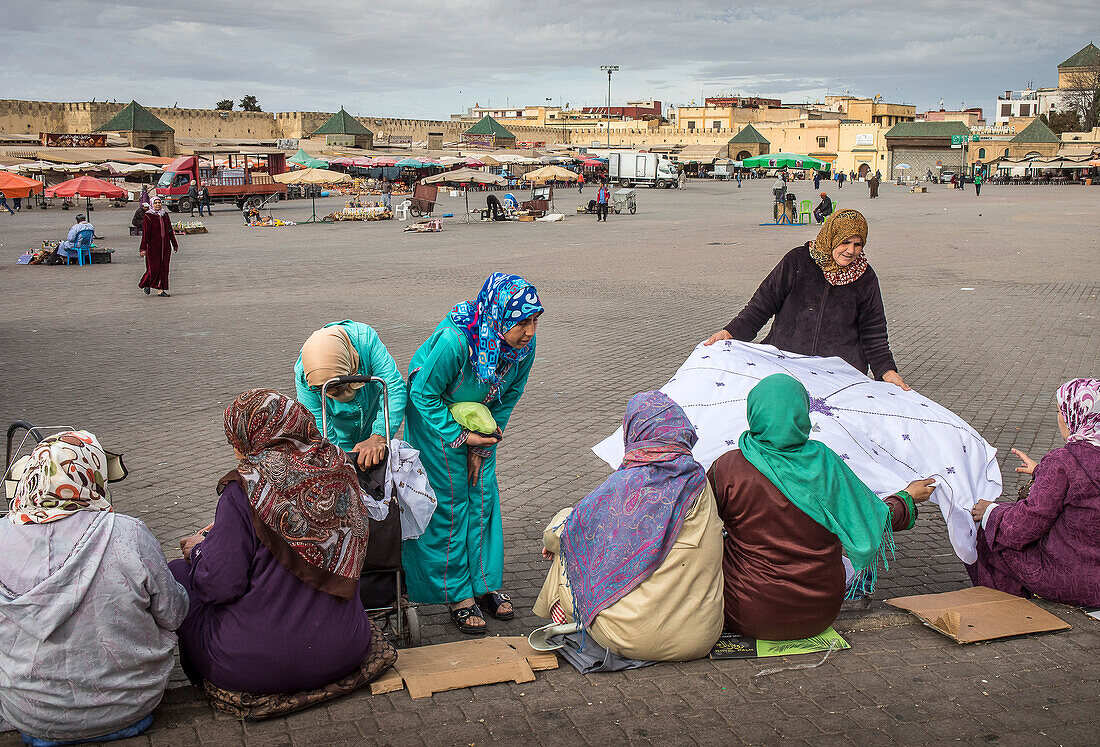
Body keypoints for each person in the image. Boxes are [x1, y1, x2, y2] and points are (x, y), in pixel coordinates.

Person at [169, 389, 394, 711]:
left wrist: (198, 551)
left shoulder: (245, 488)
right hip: (345, 651)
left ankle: (205, 677)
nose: (235, 447)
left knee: (178, 574)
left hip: (253, 668)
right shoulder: (341, 469)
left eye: (236, 437)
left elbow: (218, 585)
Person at [710, 374, 934, 640]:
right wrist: (907, 497)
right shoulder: (824, 462)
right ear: (802, 413)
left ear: (754, 412)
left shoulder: (729, 468)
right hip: (819, 613)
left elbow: (698, 525)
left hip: (747, 614)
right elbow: (869, 517)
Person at [0, 431, 188, 746]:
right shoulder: (129, 534)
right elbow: (174, 613)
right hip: (130, 706)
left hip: (32, 715)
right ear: (93, 475)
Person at [533, 391, 723, 661]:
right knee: (579, 530)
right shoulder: (701, 483)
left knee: (570, 533)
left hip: (629, 638)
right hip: (702, 637)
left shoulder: (625, 486)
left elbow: (558, 536)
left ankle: (564, 617)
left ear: (634, 431)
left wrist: (555, 539)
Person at [402, 273, 544, 633]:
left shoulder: (523, 348)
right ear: (499, 317)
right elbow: (422, 393)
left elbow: (508, 396)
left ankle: (484, 584)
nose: (529, 331)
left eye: (534, 320)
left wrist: (490, 436)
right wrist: (459, 437)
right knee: (450, 502)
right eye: (521, 322)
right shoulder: (456, 340)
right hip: (437, 421)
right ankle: (457, 593)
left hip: (481, 422)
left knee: (482, 497)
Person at [705, 209, 909, 390]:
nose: (851, 251)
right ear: (831, 237)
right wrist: (731, 332)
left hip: (839, 376)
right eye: (845, 242)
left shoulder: (865, 277)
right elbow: (761, 305)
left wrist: (886, 370)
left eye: (858, 244)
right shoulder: (798, 260)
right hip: (787, 365)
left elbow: (873, 332)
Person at [967, 379, 1100, 607]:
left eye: (1060, 410)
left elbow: (1025, 527)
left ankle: (1007, 607)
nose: (1059, 417)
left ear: (1076, 414)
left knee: (991, 533)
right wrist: (1042, 471)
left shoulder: (1063, 461)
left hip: (1074, 580)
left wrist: (989, 511)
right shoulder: (1065, 464)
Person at [294, 320, 407, 468]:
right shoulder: (306, 375)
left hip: (372, 422)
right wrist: (339, 460)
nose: (331, 393)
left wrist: (379, 437)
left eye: (335, 386)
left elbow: (393, 388)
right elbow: (318, 424)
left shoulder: (366, 341)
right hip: (337, 433)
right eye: (323, 389)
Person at [138, 196, 177, 297]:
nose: (158, 205)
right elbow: (145, 234)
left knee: (164, 268)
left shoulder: (165, 215)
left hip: (165, 247)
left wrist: (174, 243)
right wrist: (143, 248)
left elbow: (169, 230)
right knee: (154, 268)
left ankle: (161, 289)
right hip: (153, 246)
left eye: (159, 203)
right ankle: (146, 283)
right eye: (155, 203)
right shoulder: (148, 216)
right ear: (152, 204)